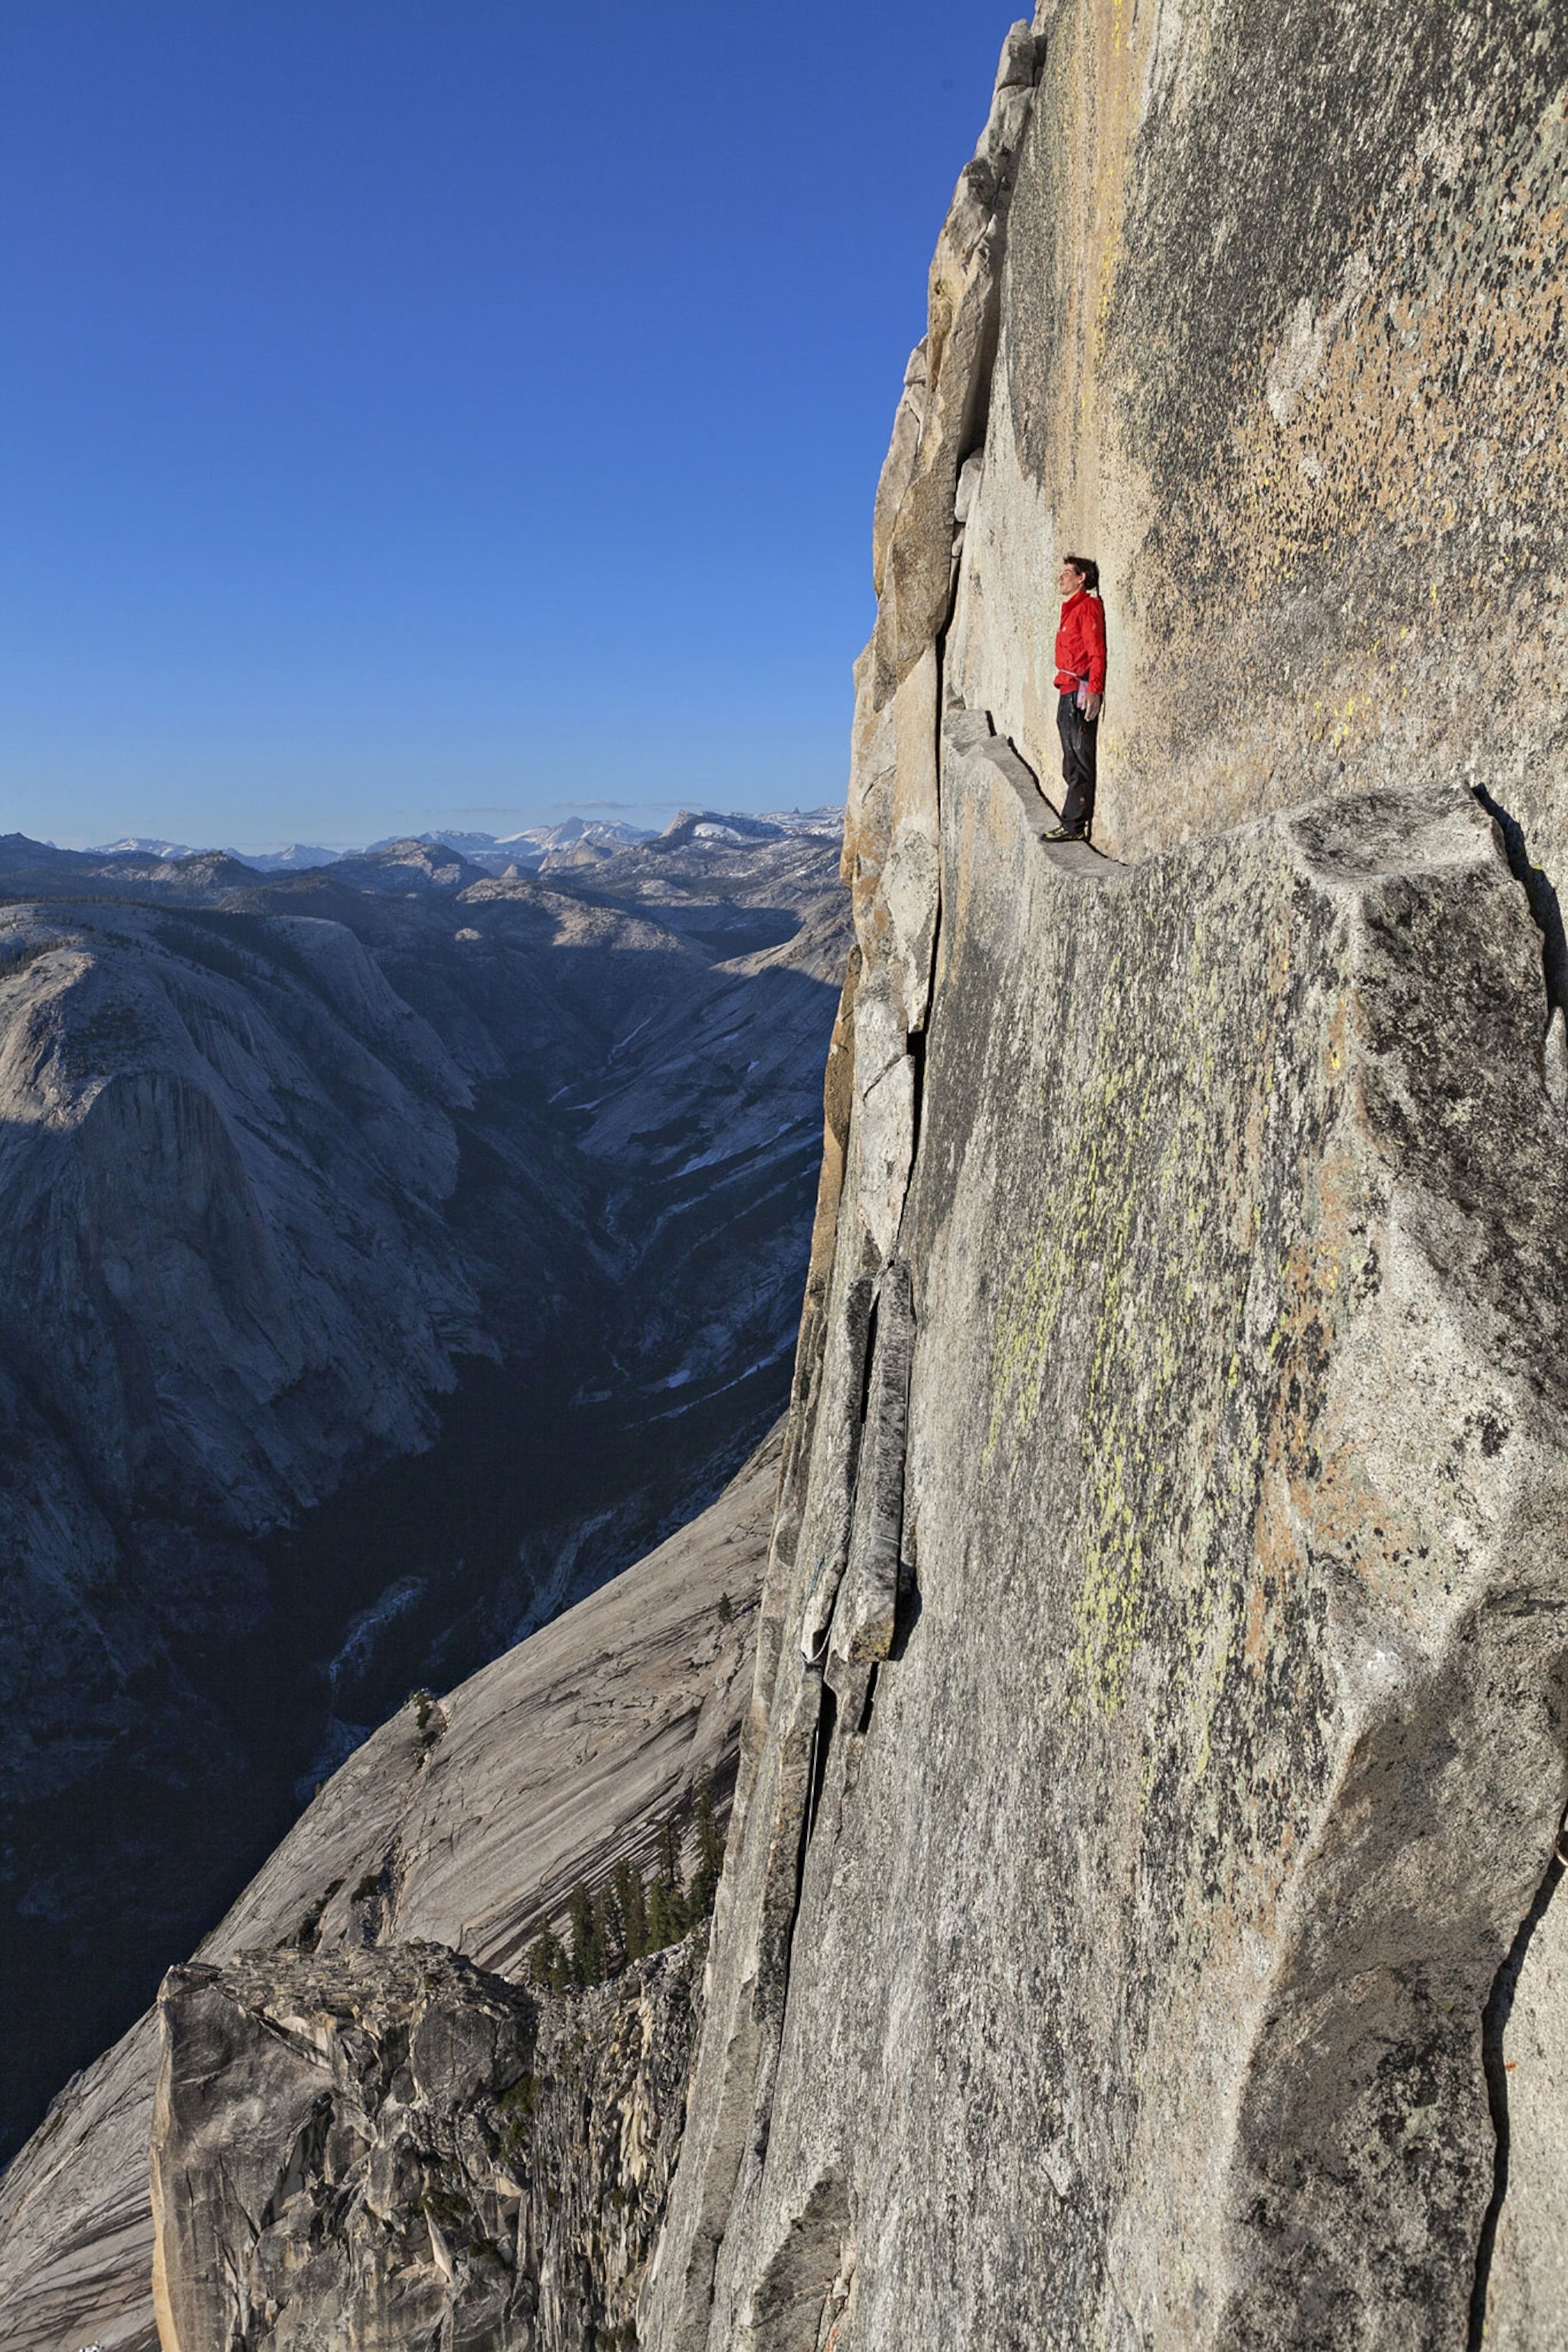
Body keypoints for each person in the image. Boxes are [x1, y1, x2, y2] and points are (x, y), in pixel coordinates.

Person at [1046, 554, 1106, 844]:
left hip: (1079, 692)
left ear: (1082, 578)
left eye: (1068, 572)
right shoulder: (1069, 610)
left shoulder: (1087, 608)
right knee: (1070, 759)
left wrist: (1094, 689)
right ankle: (1071, 820)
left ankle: (1074, 825)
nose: (1062, 576)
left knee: (1080, 758)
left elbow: (1096, 651)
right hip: (1066, 689)